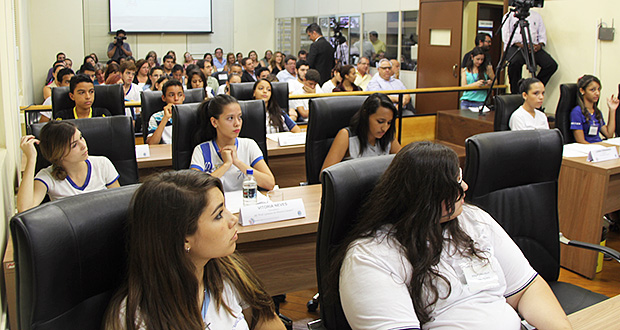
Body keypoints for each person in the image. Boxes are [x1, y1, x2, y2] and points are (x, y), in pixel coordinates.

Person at [331, 141, 573, 330]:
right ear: (426, 198)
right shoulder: (372, 256)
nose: (465, 187)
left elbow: (526, 287)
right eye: (455, 182)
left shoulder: (473, 219)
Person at [103, 170, 285, 330]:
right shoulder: (136, 316)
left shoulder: (228, 273)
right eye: (219, 215)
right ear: (183, 237)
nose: (233, 220)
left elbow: (267, 322)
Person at [17, 121, 120, 212]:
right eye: (74, 145)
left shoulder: (102, 164)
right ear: (58, 153)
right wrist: (31, 158)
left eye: (81, 137)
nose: (83, 145)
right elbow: (25, 209)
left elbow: (119, 203)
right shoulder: (48, 177)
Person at [190, 95, 275, 192]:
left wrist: (237, 162)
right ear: (214, 122)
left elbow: (269, 183)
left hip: (245, 203)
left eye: (239, 117)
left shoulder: (249, 145)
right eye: (230, 118)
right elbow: (194, 189)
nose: (237, 123)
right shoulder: (201, 150)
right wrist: (226, 165)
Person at [321, 93, 401, 171]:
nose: (385, 128)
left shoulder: (388, 136)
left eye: (389, 123)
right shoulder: (346, 136)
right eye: (380, 121)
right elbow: (325, 175)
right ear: (365, 115)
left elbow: (405, 163)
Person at [502, 9, 558, 94]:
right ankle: (516, 92)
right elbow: (506, 36)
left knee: (551, 65)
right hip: (516, 46)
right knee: (515, 62)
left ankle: (534, 86)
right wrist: (521, 45)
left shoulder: (536, 16)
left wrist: (539, 45)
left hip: (533, 47)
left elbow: (542, 35)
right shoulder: (509, 16)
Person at [570, 75, 618, 144]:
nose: (597, 93)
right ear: (582, 91)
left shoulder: (596, 112)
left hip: (598, 146)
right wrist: (596, 150)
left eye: (598, 89)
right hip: (587, 149)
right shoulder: (577, 112)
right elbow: (581, 141)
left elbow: (609, 134)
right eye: (593, 90)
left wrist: (612, 110)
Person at [147, 79, 185, 145]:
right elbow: (152, 143)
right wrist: (165, 118)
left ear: (183, 97)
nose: (176, 98)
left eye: (179, 95)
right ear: (164, 98)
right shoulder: (156, 117)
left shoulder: (190, 115)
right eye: (171, 95)